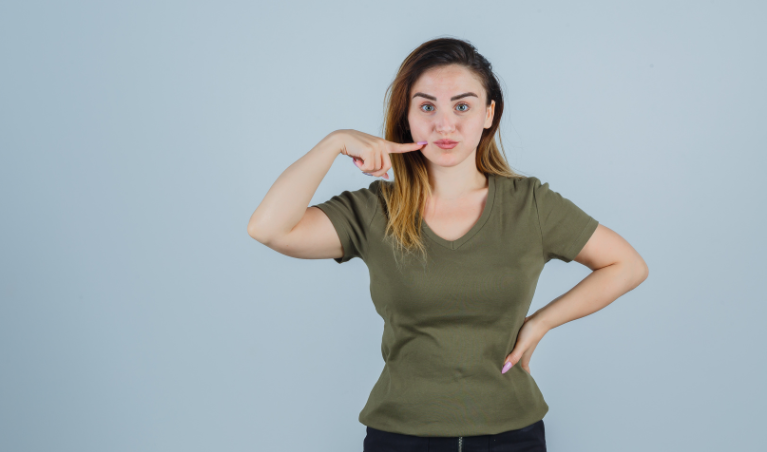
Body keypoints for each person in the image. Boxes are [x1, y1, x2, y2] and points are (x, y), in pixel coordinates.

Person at [247, 37, 648, 452]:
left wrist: (541, 322)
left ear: (488, 114)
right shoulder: (374, 209)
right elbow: (269, 229)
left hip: (512, 436)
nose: (444, 125)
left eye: (462, 106)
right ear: (406, 117)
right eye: (426, 107)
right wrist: (334, 142)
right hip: (400, 438)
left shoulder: (529, 204)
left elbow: (628, 266)